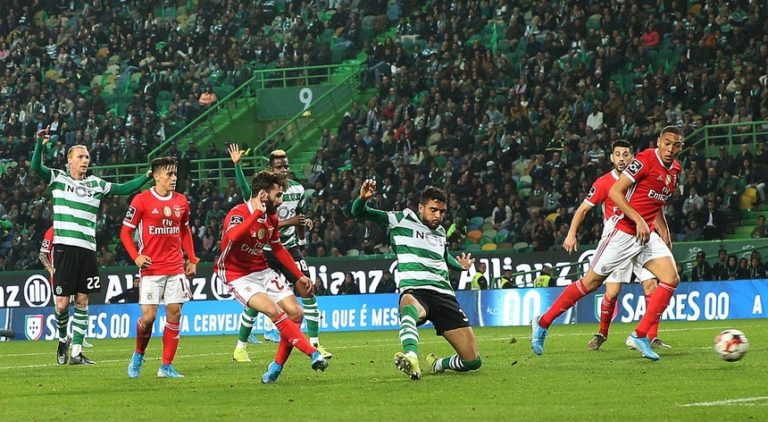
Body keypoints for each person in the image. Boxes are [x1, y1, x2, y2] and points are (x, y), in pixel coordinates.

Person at [532, 126, 684, 361]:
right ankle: (542, 323)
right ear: (659, 142)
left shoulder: (675, 169)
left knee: (671, 278)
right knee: (590, 283)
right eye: (667, 143)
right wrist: (638, 220)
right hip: (623, 232)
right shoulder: (644, 160)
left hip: (646, 235)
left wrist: (663, 230)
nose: (671, 149)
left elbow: (657, 202)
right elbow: (615, 192)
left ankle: (640, 335)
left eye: (676, 144)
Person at [31, 127, 150, 365]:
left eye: (87, 157)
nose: (85, 160)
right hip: (64, 249)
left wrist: (147, 175)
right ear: (69, 161)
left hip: (87, 250)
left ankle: (76, 352)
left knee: (83, 300)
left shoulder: (96, 184)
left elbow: (123, 188)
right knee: (63, 304)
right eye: (80, 157)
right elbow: (36, 168)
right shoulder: (58, 178)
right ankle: (63, 339)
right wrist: (39, 146)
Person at [351, 181, 480, 380]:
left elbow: (445, 257)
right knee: (408, 307)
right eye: (433, 210)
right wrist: (362, 200)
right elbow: (360, 213)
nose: (438, 215)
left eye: (442, 212)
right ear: (421, 207)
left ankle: (439, 363)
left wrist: (460, 266)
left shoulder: (441, 233)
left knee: (472, 361)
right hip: (416, 290)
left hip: (444, 295)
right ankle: (411, 356)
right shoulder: (402, 219)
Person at [215, 170, 328, 383]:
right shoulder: (238, 213)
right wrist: (256, 215)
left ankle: (276, 366)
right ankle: (313, 353)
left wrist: (297, 276)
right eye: (278, 195)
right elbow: (233, 236)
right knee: (274, 311)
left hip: (261, 270)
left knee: (296, 314)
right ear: (263, 196)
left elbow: (277, 248)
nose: (281, 200)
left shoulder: (272, 218)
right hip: (237, 275)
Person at [562, 140, 669, 351]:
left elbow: (654, 206)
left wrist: (663, 231)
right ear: (612, 158)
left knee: (652, 286)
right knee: (611, 293)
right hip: (617, 241)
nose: (622, 159)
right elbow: (583, 209)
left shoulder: (642, 178)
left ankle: (652, 336)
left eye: (626, 154)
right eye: (618, 155)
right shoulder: (603, 182)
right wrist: (571, 234)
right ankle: (602, 333)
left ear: (633, 157)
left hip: (641, 239)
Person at [228, 145, 332, 362]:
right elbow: (247, 196)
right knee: (257, 302)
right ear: (271, 169)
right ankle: (241, 346)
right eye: (279, 166)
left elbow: (299, 216)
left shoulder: (298, 190)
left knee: (307, 290)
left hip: (288, 247)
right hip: (262, 251)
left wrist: (301, 238)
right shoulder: (262, 195)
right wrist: (237, 166)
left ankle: (314, 343)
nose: (284, 169)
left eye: (286, 165)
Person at [121, 157, 199, 378]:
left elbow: (185, 231)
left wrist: (191, 258)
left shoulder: (181, 201)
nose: (173, 178)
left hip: (175, 267)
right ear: (156, 176)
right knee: (148, 318)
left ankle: (166, 366)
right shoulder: (141, 200)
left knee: (175, 313)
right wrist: (136, 257)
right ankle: (138, 354)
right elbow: (125, 232)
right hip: (151, 268)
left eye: (175, 174)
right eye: (169, 174)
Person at [38, 226, 94, 348]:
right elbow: (42, 254)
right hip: (60, 276)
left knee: (81, 302)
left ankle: (79, 338)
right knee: (61, 307)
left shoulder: (78, 229)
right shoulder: (52, 231)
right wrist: (50, 269)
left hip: (77, 273)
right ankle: (63, 337)